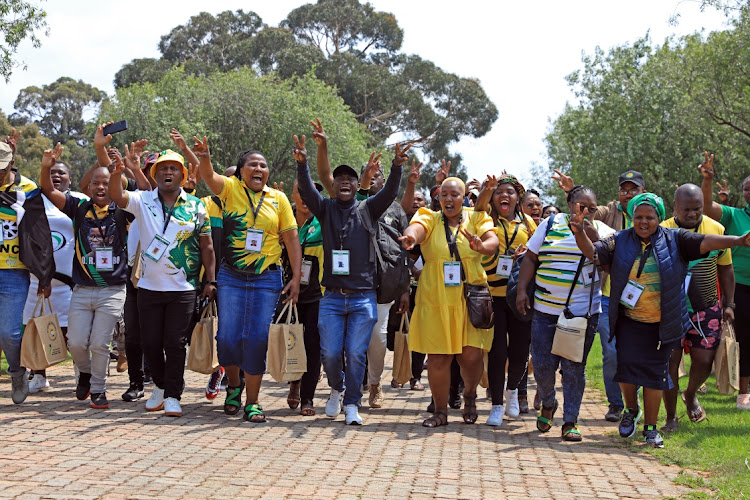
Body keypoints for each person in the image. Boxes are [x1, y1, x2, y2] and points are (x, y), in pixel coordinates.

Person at [571, 192, 749, 447]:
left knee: (655, 375)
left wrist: (738, 240)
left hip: (663, 322)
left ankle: (651, 429)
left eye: (650, 217)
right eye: (638, 217)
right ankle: (631, 410)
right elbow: (595, 254)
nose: (644, 222)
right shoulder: (620, 240)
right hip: (629, 320)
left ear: (659, 217)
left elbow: (707, 241)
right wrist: (579, 233)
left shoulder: (676, 239)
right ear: (632, 218)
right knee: (627, 372)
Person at [295, 135, 406, 425]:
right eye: (340, 178)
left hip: (362, 297)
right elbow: (307, 191)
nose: (345, 181)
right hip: (331, 297)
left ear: (359, 187)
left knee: (356, 353)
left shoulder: (368, 208)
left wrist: (396, 167)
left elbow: (391, 191)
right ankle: (337, 387)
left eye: (351, 179)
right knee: (331, 353)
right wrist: (302, 164)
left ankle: (353, 403)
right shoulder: (326, 209)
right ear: (333, 186)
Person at [195, 136, 300, 423]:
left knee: (256, 339)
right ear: (241, 171)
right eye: (252, 164)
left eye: (263, 165)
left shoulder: (278, 200)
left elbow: (291, 239)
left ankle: (253, 402)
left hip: (267, 279)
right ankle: (233, 387)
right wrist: (204, 157)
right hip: (231, 277)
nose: (258, 168)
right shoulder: (230, 190)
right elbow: (210, 177)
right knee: (228, 336)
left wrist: (296, 279)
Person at [110, 142, 216, 418]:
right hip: (148, 288)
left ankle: (172, 395)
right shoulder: (143, 200)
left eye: (174, 169)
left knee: (175, 342)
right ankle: (158, 385)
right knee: (151, 343)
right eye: (163, 168)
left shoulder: (197, 206)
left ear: (182, 175)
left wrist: (211, 281)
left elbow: (207, 247)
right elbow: (118, 197)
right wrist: (116, 172)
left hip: (184, 288)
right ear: (155, 174)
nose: (168, 172)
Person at [39, 136, 136, 409]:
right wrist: (46, 167)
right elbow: (48, 190)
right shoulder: (79, 207)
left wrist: (123, 168)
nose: (101, 187)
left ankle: (98, 390)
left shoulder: (123, 211)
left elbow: (144, 191)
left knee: (100, 343)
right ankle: (83, 372)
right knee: (77, 343)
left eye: (106, 183)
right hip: (81, 289)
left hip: (113, 289)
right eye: (96, 183)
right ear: (89, 187)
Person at [516, 185, 615, 442]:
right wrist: (521, 291)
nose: (586, 211)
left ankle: (570, 420)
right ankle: (548, 402)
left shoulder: (603, 231)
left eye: (591, 208)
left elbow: (611, 263)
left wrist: (589, 231)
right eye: (581, 206)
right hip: (545, 309)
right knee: (542, 365)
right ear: (569, 204)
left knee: (574, 368)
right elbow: (530, 257)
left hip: (583, 313)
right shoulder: (549, 224)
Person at [400, 177, 499, 428]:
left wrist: (482, 246)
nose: (448, 199)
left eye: (454, 194)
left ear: (463, 197)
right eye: (444, 194)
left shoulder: (476, 218)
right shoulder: (430, 218)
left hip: (469, 298)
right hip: (436, 299)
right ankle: (440, 411)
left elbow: (492, 241)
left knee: (471, 356)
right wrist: (411, 238)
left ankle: (469, 396)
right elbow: (417, 228)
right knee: (438, 358)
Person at [552, 168, 647, 422]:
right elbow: (587, 213)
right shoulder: (609, 211)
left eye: (633, 189)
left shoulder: (650, 213)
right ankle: (616, 403)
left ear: (643, 192)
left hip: (642, 297)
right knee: (612, 352)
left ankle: (634, 402)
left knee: (638, 351)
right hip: (608, 296)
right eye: (624, 190)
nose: (628, 194)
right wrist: (572, 193)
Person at [662, 184, 735, 430]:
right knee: (669, 363)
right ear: (675, 208)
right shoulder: (662, 230)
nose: (692, 214)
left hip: (706, 307)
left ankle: (691, 393)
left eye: (697, 209)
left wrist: (729, 304)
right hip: (670, 308)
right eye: (686, 210)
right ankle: (671, 417)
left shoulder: (716, 230)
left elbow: (725, 267)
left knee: (704, 360)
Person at [474, 174, 536, 426]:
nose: (504, 196)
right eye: (500, 192)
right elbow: (478, 207)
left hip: (519, 296)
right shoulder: (487, 219)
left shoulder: (529, 223)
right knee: (497, 352)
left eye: (510, 192)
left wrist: (525, 253)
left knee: (520, 352)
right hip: (492, 297)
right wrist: (486, 191)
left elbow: (537, 253)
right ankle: (496, 404)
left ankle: (513, 394)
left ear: (517, 197)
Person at [0, 132, 55, 404]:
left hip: (13, 272)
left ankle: (17, 372)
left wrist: (45, 274)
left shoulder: (27, 189)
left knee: (9, 333)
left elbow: (40, 233)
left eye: (2, 168)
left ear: (12, 164)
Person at [22, 159, 82, 393]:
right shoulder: (31, 201)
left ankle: (80, 372)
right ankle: (39, 375)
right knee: (36, 328)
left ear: (70, 178)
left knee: (71, 333)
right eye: (52, 172)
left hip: (68, 282)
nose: (56, 176)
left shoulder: (79, 201)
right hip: (37, 281)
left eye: (62, 173)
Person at [698, 152, 750, 409]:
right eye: (746, 189)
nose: (749, 192)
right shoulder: (734, 216)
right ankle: (743, 391)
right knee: (744, 336)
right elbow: (708, 209)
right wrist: (707, 181)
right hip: (741, 286)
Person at [287, 180, 325, 415]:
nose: (305, 198)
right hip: (287, 292)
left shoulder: (324, 221)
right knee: (290, 342)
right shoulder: (284, 218)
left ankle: (307, 398)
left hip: (316, 294)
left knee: (313, 345)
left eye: (310, 194)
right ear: (293, 195)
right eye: (300, 192)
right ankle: (294, 383)